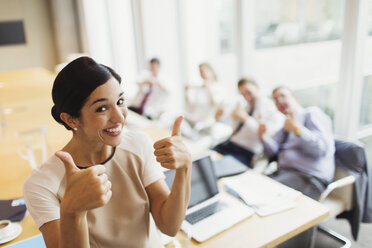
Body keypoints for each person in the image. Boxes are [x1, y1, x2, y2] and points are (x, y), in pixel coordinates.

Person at [23, 57, 192, 248]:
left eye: (120, 101)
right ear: (71, 120)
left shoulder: (138, 144)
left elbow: (169, 226)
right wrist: (72, 210)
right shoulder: (41, 185)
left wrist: (185, 168)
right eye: (102, 108)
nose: (119, 117)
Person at [258, 86, 335, 200]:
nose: (279, 101)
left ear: (295, 98)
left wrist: (299, 130)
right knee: (255, 186)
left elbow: (322, 150)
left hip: (308, 178)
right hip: (284, 173)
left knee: (263, 195)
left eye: (283, 96)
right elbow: (273, 153)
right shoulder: (285, 126)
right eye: (276, 100)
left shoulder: (311, 114)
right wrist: (262, 136)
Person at [213, 78, 282, 167]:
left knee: (217, 168)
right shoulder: (244, 105)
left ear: (257, 87)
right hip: (228, 144)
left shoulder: (271, 109)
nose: (247, 97)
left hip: (246, 151)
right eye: (243, 94)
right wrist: (221, 113)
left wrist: (245, 119)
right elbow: (224, 119)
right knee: (203, 163)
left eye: (248, 92)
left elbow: (266, 135)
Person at [183, 63, 224, 138]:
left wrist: (209, 89)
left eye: (203, 71)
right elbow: (190, 106)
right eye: (200, 72)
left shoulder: (218, 88)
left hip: (205, 124)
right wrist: (187, 92)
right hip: (192, 121)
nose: (202, 74)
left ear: (211, 71)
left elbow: (217, 105)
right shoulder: (198, 87)